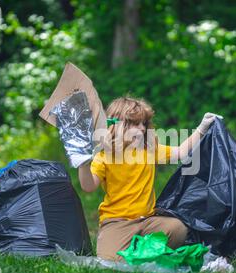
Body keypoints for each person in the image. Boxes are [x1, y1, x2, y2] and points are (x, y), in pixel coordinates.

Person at [78, 96, 217, 261]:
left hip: (148, 221)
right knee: (112, 261)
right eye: (136, 124)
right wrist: (83, 164)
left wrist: (201, 129)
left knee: (178, 228)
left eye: (143, 124)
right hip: (117, 222)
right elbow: (88, 186)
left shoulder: (149, 149)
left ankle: (142, 248)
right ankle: (141, 250)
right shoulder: (105, 155)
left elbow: (180, 152)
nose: (142, 129)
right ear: (117, 125)